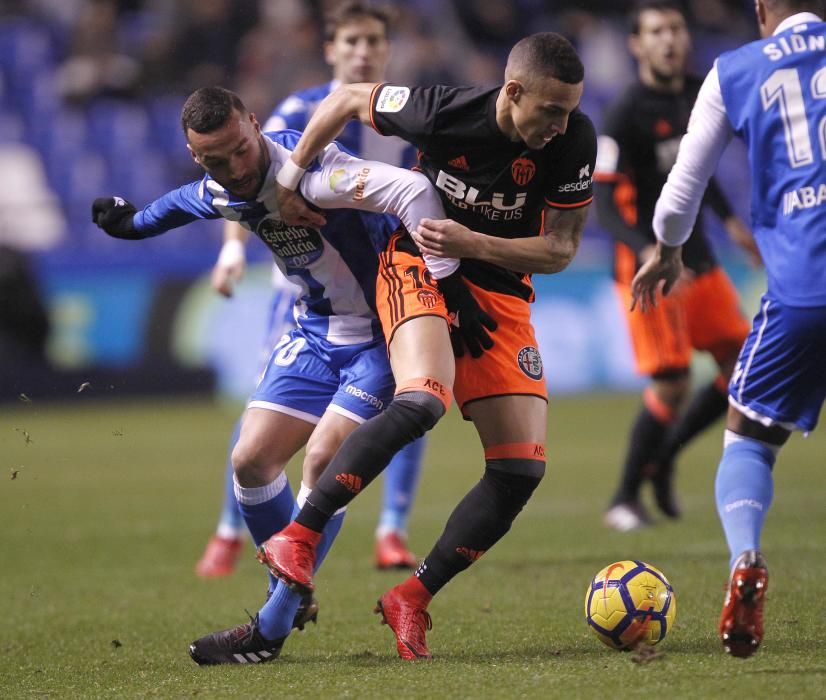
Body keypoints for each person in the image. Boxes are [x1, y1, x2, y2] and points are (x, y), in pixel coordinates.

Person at [91, 85, 462, 664]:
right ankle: (288, 592)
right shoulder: (218, 188)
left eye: (241, 149)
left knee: (321, 458)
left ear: (255, 124)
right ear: (197, 156)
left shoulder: (312, 170)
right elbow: (164, 211)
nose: (235, 168)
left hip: (380, 336)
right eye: (217, 160)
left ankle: (272, 624)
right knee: (250, 459)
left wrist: (443, 278)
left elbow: (408, 189)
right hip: (314, 333)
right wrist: (123, 222)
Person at [258, 32, 597, 660]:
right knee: (424, 399)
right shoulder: (443, 109)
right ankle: (299, 536)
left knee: (521, 467)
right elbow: (345, 100)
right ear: (512, 91)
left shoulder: (574, 140)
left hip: (498, 288)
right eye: (550, 110)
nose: (561, 123)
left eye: (570, 109)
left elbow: (560, 250)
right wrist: (291, 176)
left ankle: (411, 597)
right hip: (417, 264)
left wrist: (474, 243)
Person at [196, 0, 424, 579]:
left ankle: (391, 528)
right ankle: (229, 529)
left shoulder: (407, 115)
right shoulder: (297, 110)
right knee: (266, 407)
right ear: (330, 50)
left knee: (412, 399)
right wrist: (231, 251)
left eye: (373, 41)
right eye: (351, 42)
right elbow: (240, 178)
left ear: (387, 49)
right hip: (304, 290)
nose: (363, 51)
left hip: (385, 292)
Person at [630, 0, 826, 659]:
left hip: (803, 290)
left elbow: (683, 187)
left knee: (748, 436)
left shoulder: (734, 70)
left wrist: (669, 250)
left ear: (763, 9)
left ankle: (747, 557)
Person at [594, 0, 760, 532]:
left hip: (699, 259)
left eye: (676, 29)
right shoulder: (622, 113)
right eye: (657, 31)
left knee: (741, 368)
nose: (669, 39)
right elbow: (602, 202)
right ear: (637, 45)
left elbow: (698, 171)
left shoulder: (697, 93)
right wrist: (645, 248)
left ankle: (664, 459)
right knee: (672, 384)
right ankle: (623, 496)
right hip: (648, 267)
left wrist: (732, 221)